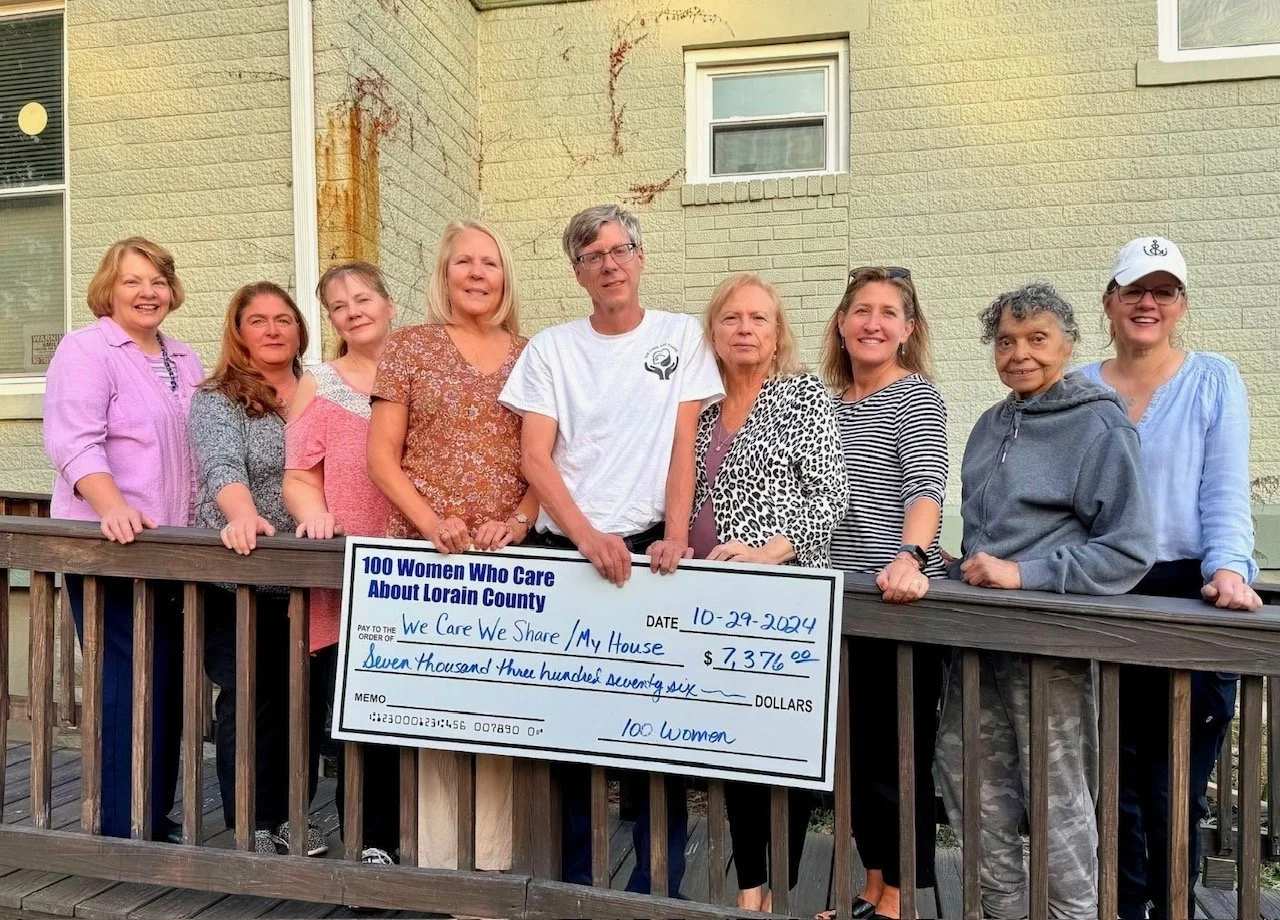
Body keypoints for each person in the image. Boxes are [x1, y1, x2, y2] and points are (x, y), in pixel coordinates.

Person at [498, 204, 724, 894]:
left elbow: (685, 444)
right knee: (566, 728)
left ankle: (658, 887)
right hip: (568, 549)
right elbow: (535, 457)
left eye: (621, 250)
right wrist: (587, 535)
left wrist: (678, 535)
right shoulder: (552, 350)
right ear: (577, 273)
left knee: (657, 730)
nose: (611, 264)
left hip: (655, 548)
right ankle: (572, 881)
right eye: (594, 256)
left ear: (641, 257)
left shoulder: (682, 336)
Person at [934, 282, 1155, 919]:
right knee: (974, 793)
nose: (1020, 354)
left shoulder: (1098, 423)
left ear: (1069, 344)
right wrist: (959, 566)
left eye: (1038, 339)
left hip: (1049, 654)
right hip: (977, 649)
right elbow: (988, 535)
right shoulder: (990, 424)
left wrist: (1023, 574)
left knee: (1060, 807)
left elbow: (1129, 549)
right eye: (1006, 340)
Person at [1077, 236, 1262, 919]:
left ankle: (1173, 906)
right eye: (1134, 290)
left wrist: (1228, 571)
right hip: (1102, 590)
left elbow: (1224, 494)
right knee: (1110, 780)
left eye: (1164, 291)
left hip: (1186, 590)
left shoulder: (1213, 379)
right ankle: (1121, 906)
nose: (1148, 303)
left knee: (1175, 783)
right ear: (1110, 302)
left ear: (1181, 305)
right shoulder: (1078, 389)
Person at [367, 220, 538, 871]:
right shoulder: (408, 347)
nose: (476, 273)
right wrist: (431, 521)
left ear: (504, 277)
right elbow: (382, 458)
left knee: (499, 724)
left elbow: (550, 460)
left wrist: (521, 520)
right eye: (463, 262)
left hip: (506, 570)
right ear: (444, 274)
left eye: (489, 263)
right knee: (435, 724)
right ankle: (443, 875)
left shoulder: (533, 354)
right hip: (426, 567)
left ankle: (495, 877)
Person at [691, 273, 846, 911]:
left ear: (778, 331)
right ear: (714, 331)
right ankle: (750, 889)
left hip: (782, 603)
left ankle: (777, 887)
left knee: (783, 755)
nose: (745, 329)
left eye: (759, 318)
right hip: (706, 601)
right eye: (732, 318)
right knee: (729, 752)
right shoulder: (698, 406)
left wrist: (767, 552)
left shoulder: (804, 396)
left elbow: (828, 496)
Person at [43, 237, 203, 841]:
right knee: (125, 685)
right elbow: (73, 440)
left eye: (157, 281)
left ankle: (151, 817)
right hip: (109, 548)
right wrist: (112, 507)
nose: (147, 292)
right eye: (132, 281)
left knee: (166, 684)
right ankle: (119, 824)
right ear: (109, 288)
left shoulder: (183, 357)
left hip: (174, 551)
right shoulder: (86, 349)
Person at [818, 267, 948, 920]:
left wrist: (910, 556)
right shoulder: (825, 404)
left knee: (897, 758)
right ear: (841, 324)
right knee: (856, 757)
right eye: (861, 310)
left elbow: (925, 487)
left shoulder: (916, 398)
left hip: (897, 604)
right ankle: (872, 886)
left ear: (908, 329)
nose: (873, 322)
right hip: (836, 608)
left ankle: (898, 901)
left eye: (889, 312)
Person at [189, 281, 320, 855]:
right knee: (251, 698)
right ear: (238, 332)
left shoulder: (323, 388)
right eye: (258, 320)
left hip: (309, 577)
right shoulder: (217, 396)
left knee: (306, 700)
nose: (272, 330)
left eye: (283, 319)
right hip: (241, 569)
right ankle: (253, 822)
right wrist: (242, 516)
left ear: (300, 330)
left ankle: (294, 814)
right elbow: (221, 463)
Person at [283, 261, 400, 864]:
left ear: (388, 303)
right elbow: (299, 475)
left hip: (423, 569)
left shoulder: (421, 369)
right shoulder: (320, 381)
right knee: (361, 718)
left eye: (362, 298)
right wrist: (314, 512)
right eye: (337, 305)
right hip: (351, 574)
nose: (352, 311)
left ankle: (427, 846)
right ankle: (369, 849)